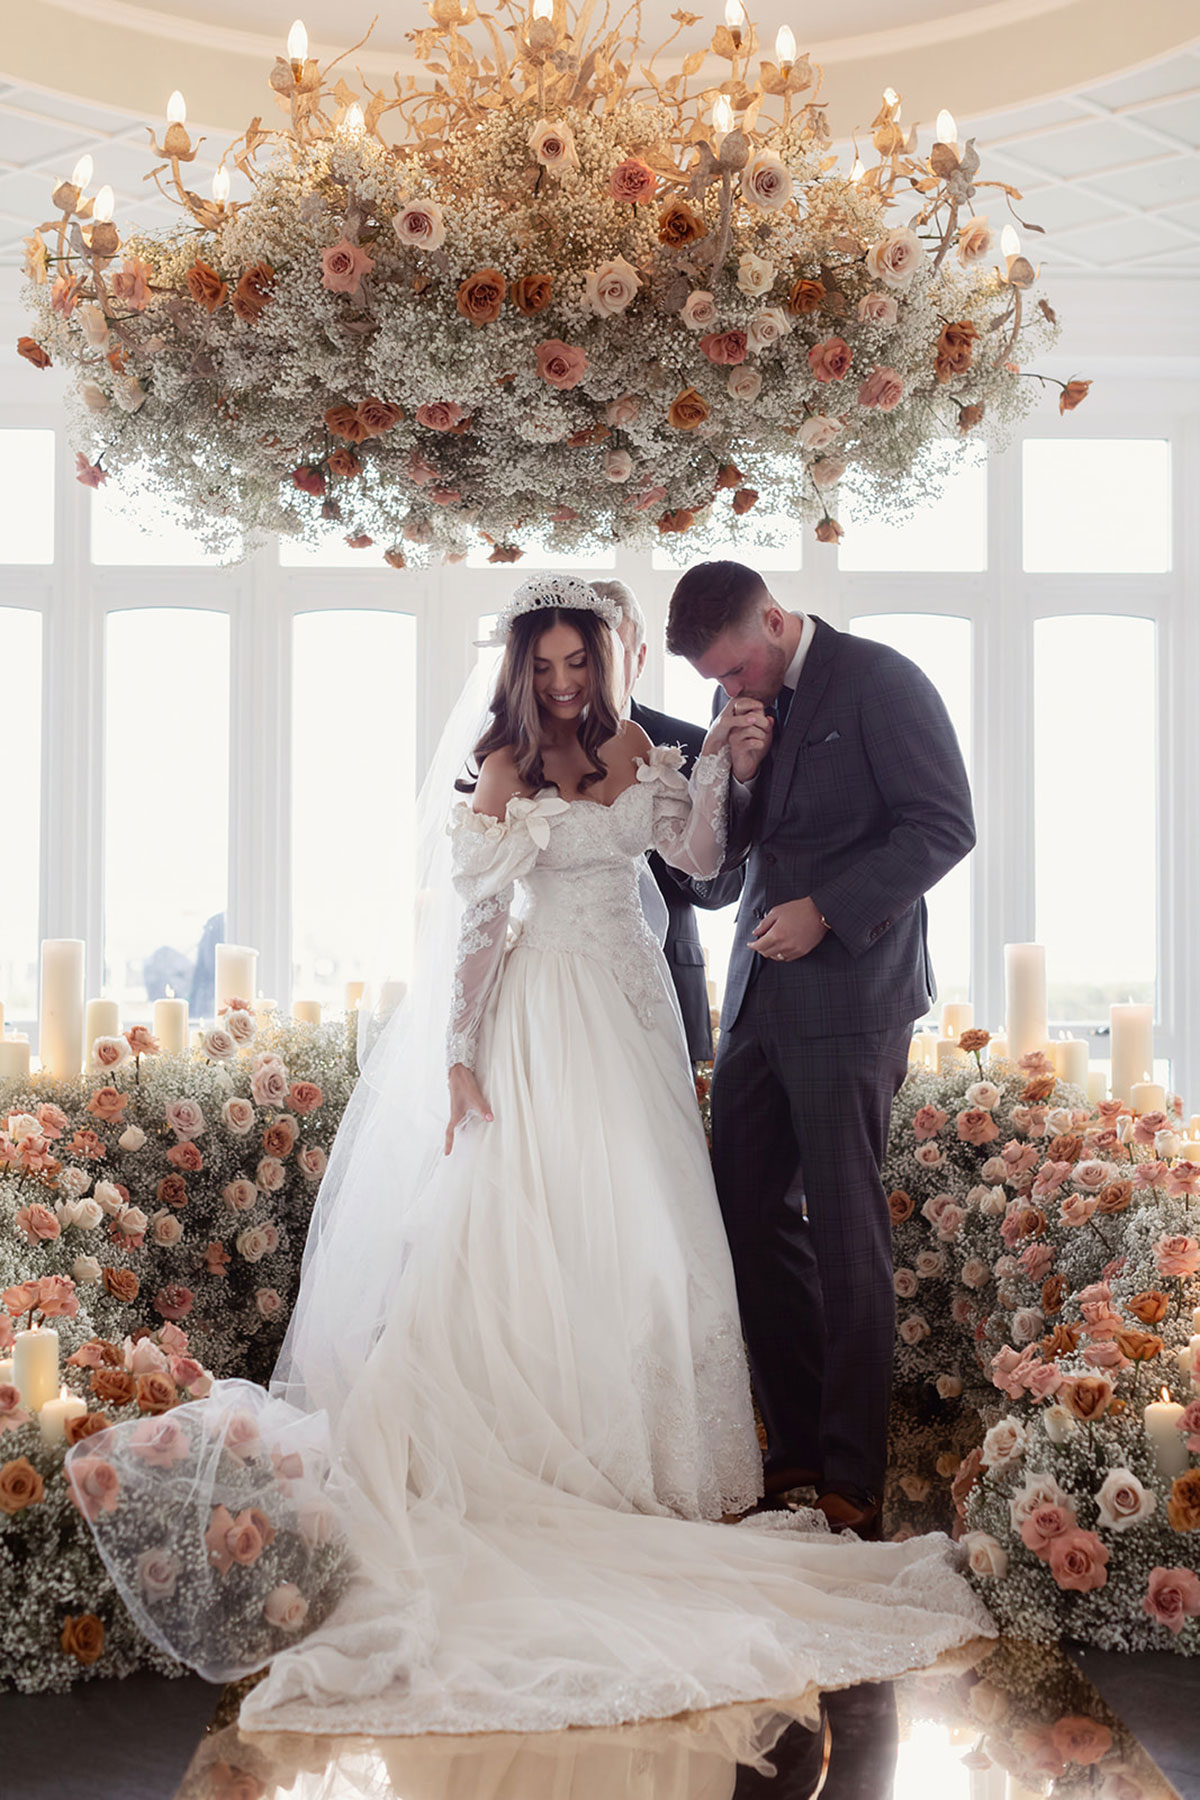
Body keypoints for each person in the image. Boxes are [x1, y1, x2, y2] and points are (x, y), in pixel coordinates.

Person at [72, 574, 991, 1739]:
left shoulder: (664, 750)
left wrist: (725, 772)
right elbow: (474, 925)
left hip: (635, 1022)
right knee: (536, 1238)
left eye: (578, 663)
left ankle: (713, 1465)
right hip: (538, 1019)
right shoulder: (504, 768)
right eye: (545, 664)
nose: (562, 682)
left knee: (660, 1245)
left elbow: (705, 866)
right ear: (521, 668)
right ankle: (563, 1456)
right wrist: (458, 1055)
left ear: (608, 663)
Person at [667, 560, 976, 1540]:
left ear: (774, 616)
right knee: (746, 1217)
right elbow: (727, 877)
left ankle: (853, 1480)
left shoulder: (880, 681)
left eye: (741, 669)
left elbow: (944, 825)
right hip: (758, 1001)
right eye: (718, 682)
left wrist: (828, 913)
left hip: (852, 995)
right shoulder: (744, 706)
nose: (735, 691)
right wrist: (744, 773)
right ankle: (793, 1449)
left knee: (847, 1235)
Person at [593, 577, 744, 1062]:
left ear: (638, 659)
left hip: (666, 983)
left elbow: (725, 887)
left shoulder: (692, 745)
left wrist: (674, 838)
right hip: (557, 982)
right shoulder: (533, 752)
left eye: (614, 653)